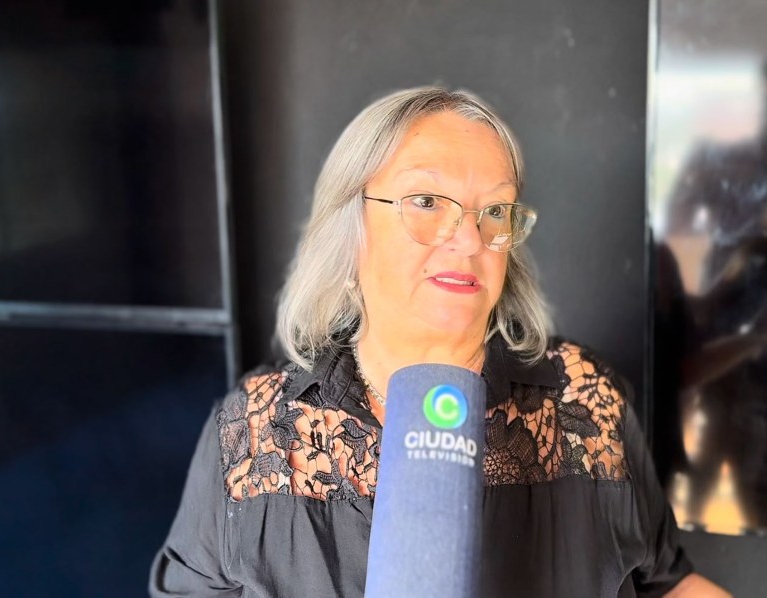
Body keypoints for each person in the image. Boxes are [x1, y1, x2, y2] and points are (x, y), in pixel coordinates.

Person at [149, 87, 729, 597]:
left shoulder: (587, 401)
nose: (469, 239)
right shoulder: (252, 434)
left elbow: (666, 582)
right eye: (426, 202)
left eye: (494, 210)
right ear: (350, 230)